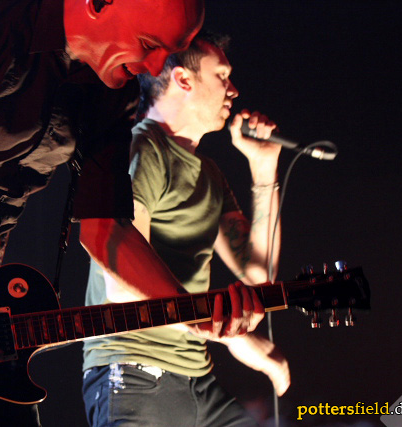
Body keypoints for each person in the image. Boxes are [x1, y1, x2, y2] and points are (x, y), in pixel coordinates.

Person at [0, 0, 266, 425]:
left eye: (167, 53)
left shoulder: (112, 91)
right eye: (149, 45)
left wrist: (191, 312)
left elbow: (106, 229)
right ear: (98, 3)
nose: (154, 68)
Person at [82, 31, 289, 426]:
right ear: (182, 79)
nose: (233, 89)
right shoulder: (143, 149)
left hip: (196, 378)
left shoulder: (208, 172)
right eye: (222, 75)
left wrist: (264, 169)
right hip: (136, 371)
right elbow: (119, 283)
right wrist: (234, 334)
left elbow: (258, 275)